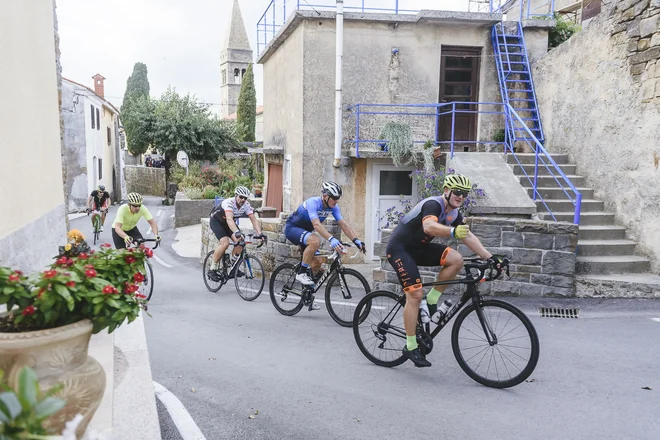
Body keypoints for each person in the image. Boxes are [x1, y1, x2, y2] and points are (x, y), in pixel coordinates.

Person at [385, 173, 504, 368]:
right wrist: (451, 231)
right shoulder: (434, 204)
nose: (461, 197)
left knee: (457, 260)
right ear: (447, 191)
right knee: (414, 294)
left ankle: (432, 301)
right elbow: (429, 226)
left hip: (420, 250)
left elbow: (468, 236)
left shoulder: (454, 214)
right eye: (457, 192)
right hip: (400, 250)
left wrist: (490, 257)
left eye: (464, 194)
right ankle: (411, 345)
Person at [284, 181, 367, 310]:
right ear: (325, 196)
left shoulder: (333, 207)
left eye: (337, 198)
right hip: (292, 229)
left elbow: (343, 224)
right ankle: (300, 273)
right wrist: (332, 239)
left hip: (306, 232)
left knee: (317, 264)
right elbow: (316, 225)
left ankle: (307, 295)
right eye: (334, 198)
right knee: (315, 241)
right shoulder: (313, 203)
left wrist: (356, 240)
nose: (336, 201)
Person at [208, 186, 266, 281]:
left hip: (228, 223)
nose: (243, 199)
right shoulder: (229, 203)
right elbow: (230, 219)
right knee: (225, 243)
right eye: (241, 197)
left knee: (240, 242)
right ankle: (212, 269)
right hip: (217, 221)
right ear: (235, 195)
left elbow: (253, 220)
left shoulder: (246, 205)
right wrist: (237, 232)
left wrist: (260, 233)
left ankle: (233, 267)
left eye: (245, 198)